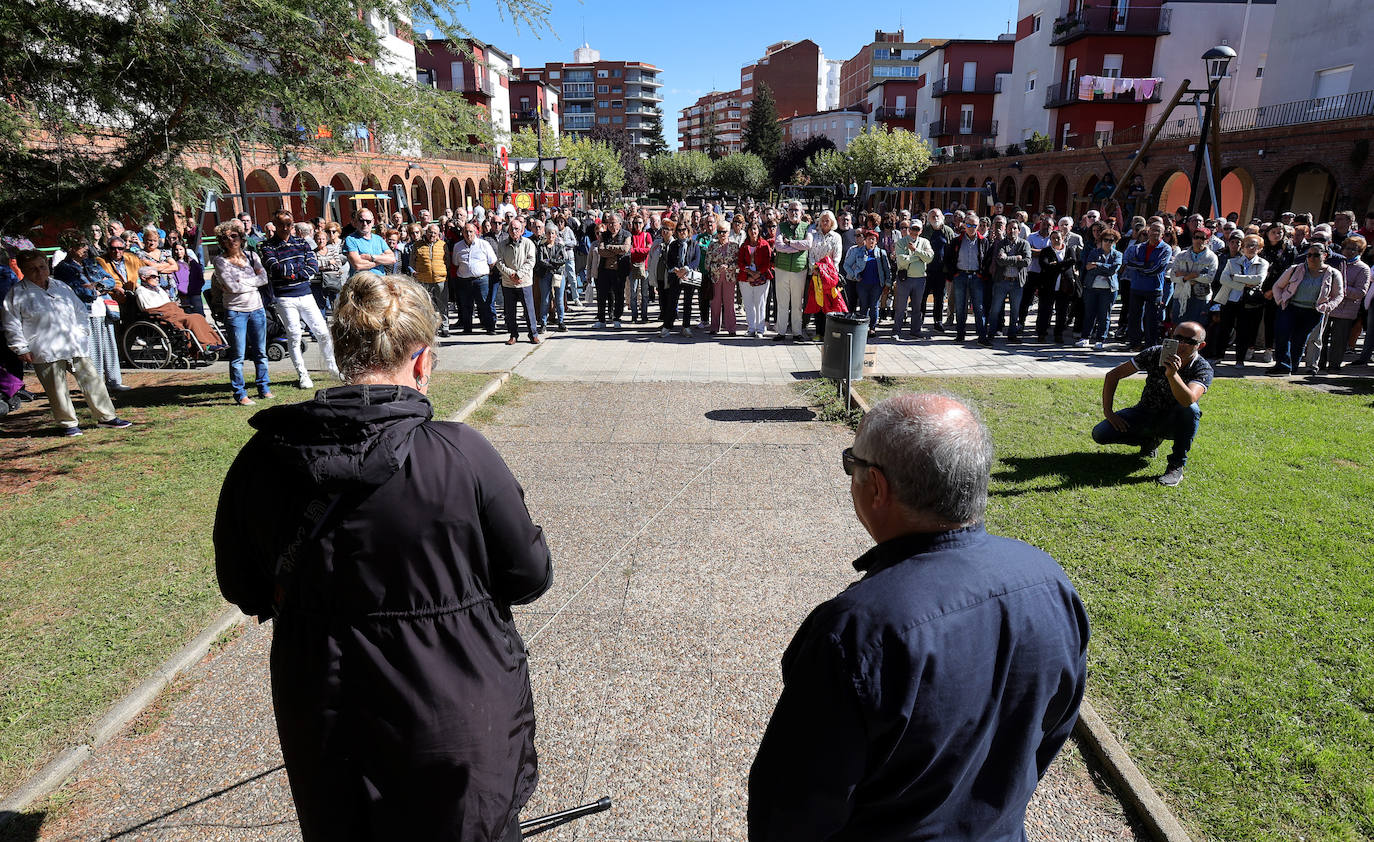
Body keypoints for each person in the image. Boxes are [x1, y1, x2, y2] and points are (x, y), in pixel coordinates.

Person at [214, 271, 552, 842]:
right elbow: (528, 572)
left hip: (324, 705)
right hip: (452, 704)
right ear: (421, 362)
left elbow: (243, 585)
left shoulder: (262, 460)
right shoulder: (462, 454)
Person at [748, 393, 1089, 840]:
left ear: (877, 487)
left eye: (851, 464)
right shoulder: (1049, 581)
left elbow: (792, 808)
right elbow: (1051, 731)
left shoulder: (855, 631)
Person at [3, 251, 133, 436]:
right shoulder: (17, 294)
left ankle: (107, 417)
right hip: (44, 348)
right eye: (32, 269)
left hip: (73, 344)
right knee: (56, 389)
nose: (39, 272)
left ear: (48, 266)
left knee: (93, 381)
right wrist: (20, 348)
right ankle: (68, 424)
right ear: (23, 270)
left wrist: (81, 333)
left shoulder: (60, 286)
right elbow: (11, 324)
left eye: (42, 267)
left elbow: (79, 310)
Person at [1092, 320, 1212, 486]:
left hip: (1172, 422)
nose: (1181, 344)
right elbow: (1113, 375)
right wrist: (1109, 412)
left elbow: (1188, 400)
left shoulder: (1202, 368)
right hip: (1145, 412)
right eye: (1178, 338)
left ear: (1201, 345)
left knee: (1191, 410)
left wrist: (1172, 375)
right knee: (1100, 433)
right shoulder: (1155, 353)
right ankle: (1150, 440)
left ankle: (1176, 466)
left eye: (1190, 341)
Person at [262, 209, 339, 388]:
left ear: (293, 224)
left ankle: (333, 367)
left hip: (305, 294)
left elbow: (312, 266)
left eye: (288, 224)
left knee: (323, 332)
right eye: (281, 225)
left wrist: (293, 272)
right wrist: (298, 271)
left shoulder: (302, 243)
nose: (285, 228)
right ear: (275, 225)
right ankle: (303, 375)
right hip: (285, 298)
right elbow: (275, 268)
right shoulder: (267, 246)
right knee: (295, 334)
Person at [53, 233, 128, 393]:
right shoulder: (64, 268)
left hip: (104, 310)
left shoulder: (91, 263)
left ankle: (114, 381)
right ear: (71, 248)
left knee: (109, 346)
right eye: (81, 245)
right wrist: (94, 290)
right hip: (86, 313)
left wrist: (96, 287)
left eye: (86, 244)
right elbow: (80, 292)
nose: (86, 248)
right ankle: (96, 384)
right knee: (93, 349)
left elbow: (109, 280)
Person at [212, 220, 272, 405]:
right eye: (225, 238)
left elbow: (264, 278)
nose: (230, 240)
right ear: (221, 242)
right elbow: (231, 286)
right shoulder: (220, 261)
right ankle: (240, 393)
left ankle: (264, 387)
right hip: (236, 312)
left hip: (257, 309)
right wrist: (250, 280)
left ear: (241, 237)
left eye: (234, 236)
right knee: (238, 355)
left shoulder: (252, 256)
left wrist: (242, 282)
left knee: (261, 352)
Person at [1267, 242, 1344, 376]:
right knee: (1282, 336)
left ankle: (1292, 366)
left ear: (1324, 256)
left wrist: (1328, 306)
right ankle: (1282, 366)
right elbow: (1277, 286)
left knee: (1299, 339)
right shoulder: (1295, 269)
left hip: (1313, 311)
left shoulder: (1333, 273)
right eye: (1309, 255)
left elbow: (1339, 294)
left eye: (1315, 255)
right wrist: (1280, 300)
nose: (1311, 258)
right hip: (1290, 307)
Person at [1211, 234, 1269, 365]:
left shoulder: (1262, 263)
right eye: (1247, 245)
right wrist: (1245, 284)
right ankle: (1218, 356)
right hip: (1231, 299)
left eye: (1253, 245)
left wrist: (1235, 277)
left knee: (1244, 331)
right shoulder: (1232, 262)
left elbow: (1258, 279)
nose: (1249, 248)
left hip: (1249, 301)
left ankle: (1240, 360)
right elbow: (1223, 279)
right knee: (1225, 329)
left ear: (1259, 248)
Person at [1320, 235, 1368, 371]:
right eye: (1347, 248)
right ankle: (1320, 364)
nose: (1349, 251)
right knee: (1321, 338)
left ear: (1360, 251)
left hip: (1346, 311)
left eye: (1354, 249)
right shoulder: (1335, 263)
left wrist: (1339, 288)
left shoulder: (1362, 268)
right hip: (1328, 307)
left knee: (1338, 341)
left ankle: (1334, 366)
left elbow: (1360, 292)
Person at [1121, 222, 1172, 350]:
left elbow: (1157, 268)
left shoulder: (1166, 249)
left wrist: (1140, 266)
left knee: (1151, 319)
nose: (1155, 232)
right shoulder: (1138, 247)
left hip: (1154, 289)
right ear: (1148, 232)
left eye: (1158, 230)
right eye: (1153, 230)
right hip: (1136, 287)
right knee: (1133, 317)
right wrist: (1145, 265)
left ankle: (1150, 345)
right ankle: (1135, 343)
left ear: (1163, 233)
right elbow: (1128, 263)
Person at [942, 213, 990, 343]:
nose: (971, 228)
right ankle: (960, 334)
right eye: (969, 225)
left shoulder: (983, 241)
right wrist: (954, 273)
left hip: (976, 277)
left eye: (974, 225)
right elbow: (948, 258)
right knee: (960, 307)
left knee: (979, 308)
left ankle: (982, 336)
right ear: (964, 225)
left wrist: (982, 274)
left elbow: (987, 260)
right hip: (960, 276)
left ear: (978, 226)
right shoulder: (957, 240)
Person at [984, 215, 1030, 346]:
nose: (1012, 231)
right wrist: (1017, 258)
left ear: (1019, 230)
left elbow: (1027, 262)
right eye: (1010, 228)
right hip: (1002, 281)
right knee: (995, 308)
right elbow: (1000, 260)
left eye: (1015, 228)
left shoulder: (1024, 244)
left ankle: (1012, 334)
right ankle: (991, 333)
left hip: (1017, 282)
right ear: (1006, 230)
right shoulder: (1001, 243)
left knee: (1015, 311)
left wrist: (1008, 259)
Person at [496, 216, 539, 345]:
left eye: (516, 229)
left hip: (524, 283)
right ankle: (513, 335)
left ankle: (533, 334)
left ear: (521, 230)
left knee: (529, 311)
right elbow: (499, 262)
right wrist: (511, 274)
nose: (514, 231)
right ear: (508, 230)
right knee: (510, 312)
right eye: (511, 229)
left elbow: (531, 261)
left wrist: (519, 275)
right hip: (508, 283)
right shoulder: (502, 244)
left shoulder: (528, 243)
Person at [772, 202, 812, 341]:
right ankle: (781, 332)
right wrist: (797, 248)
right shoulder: (781, 226)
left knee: (797, 304)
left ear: (801, 212)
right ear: (787, 212)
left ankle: (797, 332)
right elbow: (778, 246)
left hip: (799, 269)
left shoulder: (807, 227)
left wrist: (789, 243)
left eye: (796, 210)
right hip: (781, 269)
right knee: (782, 302)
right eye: (791, 210)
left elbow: (808, 244)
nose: (794, 212)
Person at [450, 222, 499, 335]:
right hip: (464, 280)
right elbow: (455, 262)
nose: (468, 234)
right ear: (462, 233)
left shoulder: (484, 244)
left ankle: (490, 327)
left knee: (485, 304)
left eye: (471, 231)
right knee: (466, 305)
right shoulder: (458, 246)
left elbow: (492, 261)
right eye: (466, 231)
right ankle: (467, 329)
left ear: (476, 232)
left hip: (481, 280)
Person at [656, 220, 701, 338]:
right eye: (679, 230)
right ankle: (667, 326)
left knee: (688, 302)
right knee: (672, 301)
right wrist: (675, 270)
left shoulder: (694, 244)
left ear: (688, 230)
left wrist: (686, 269)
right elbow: (669, 260)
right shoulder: (673, 244)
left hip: (688, 276)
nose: (682, 233)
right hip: (676, 276)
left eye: (684, 230)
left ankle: (686, 327)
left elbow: (696, 260)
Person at [1080, 228, 1123, 349]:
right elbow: (1088, 267)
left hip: (1108, 290)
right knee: (1089, 314)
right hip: (1092, 288)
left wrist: (1097, 265)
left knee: (1104, 315)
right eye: (1106, 240)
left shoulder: (1118, 255)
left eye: (1111, 240)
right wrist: (1104, 268)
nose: (1108, 242)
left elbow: (1112, 270)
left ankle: (1100, 339)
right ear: (1101, 240)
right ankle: (1085, 337)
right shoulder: (1094, 252)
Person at [1169, 226, 1220, 328]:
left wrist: (1185, 275)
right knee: (1178, 325)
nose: (1198, 240)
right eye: (1196, 237)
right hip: (1181, 294)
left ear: (1207, 240)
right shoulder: (1181, 255)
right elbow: (1173, 276)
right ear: (1192, 238)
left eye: (1202, 238)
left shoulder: (1212, 258)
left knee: (1196, 327)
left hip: (1200, 296)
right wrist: (1189, 277)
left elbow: (1209, 278)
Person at [1037, 228, 1081, 344]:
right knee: (1045, 311)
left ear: (1063, 239)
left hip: (1065, 287)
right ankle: (1041, 334)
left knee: (1062, 312)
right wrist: (1062, 265)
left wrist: (1055, 265)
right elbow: (1045, 265)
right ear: (1050, 239)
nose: (1057, 240)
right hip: (1048, 287)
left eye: (1059, 238)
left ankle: (1058, 334)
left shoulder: (1069, 250)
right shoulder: (1046, 251)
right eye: (1054, 238)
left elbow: (1073, 261)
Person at [410, 222, 450, 338]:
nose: (432, 235)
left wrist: (441, 271)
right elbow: (412, 261)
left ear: (438, 234)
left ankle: (445, 326)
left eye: (435, 233)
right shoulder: (417, 245)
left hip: (440, 279)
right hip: (423, 280)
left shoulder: (443, 245)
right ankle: (430, 328)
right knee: (427, 305)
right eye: (430, 232)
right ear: (426, 233)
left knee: (442, 304)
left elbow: (447, 261)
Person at [737, 221, 773, 338]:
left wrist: (758, 273)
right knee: (748, 304)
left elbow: (768, 261)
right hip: (746, 278)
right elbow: (740, 262)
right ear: (747, 231)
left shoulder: (764, 244)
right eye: (751, 229)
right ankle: (751, 328)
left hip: (762, 277)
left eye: (755, 229)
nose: (753, 231)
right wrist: (749, 272)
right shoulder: (743, 245)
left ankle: (760, 329)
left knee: (760, 304)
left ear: (758, 231)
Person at [595, 215, 630, 329]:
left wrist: (609, 247)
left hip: (619, 271)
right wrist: (616, 251)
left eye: (613, 223)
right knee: (601, 295)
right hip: (604, 271)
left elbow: (625, 249)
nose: (611, 225)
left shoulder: (626, 235)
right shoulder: (603, 235)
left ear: (620, 224)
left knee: (619, 295)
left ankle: (617, 318)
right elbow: (601, 250)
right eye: (609, 223)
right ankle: (601, 319)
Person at [343, 210, 397, 276]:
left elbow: (392, 259)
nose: (365, 224)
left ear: (373, 222)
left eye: (368, 221)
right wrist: (380, 260)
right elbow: (358, 265)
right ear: (356, 222)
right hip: (361, 282)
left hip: (380, 281)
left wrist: (371, 257)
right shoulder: (350, 239)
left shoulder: (378, 239)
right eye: (361, 221)